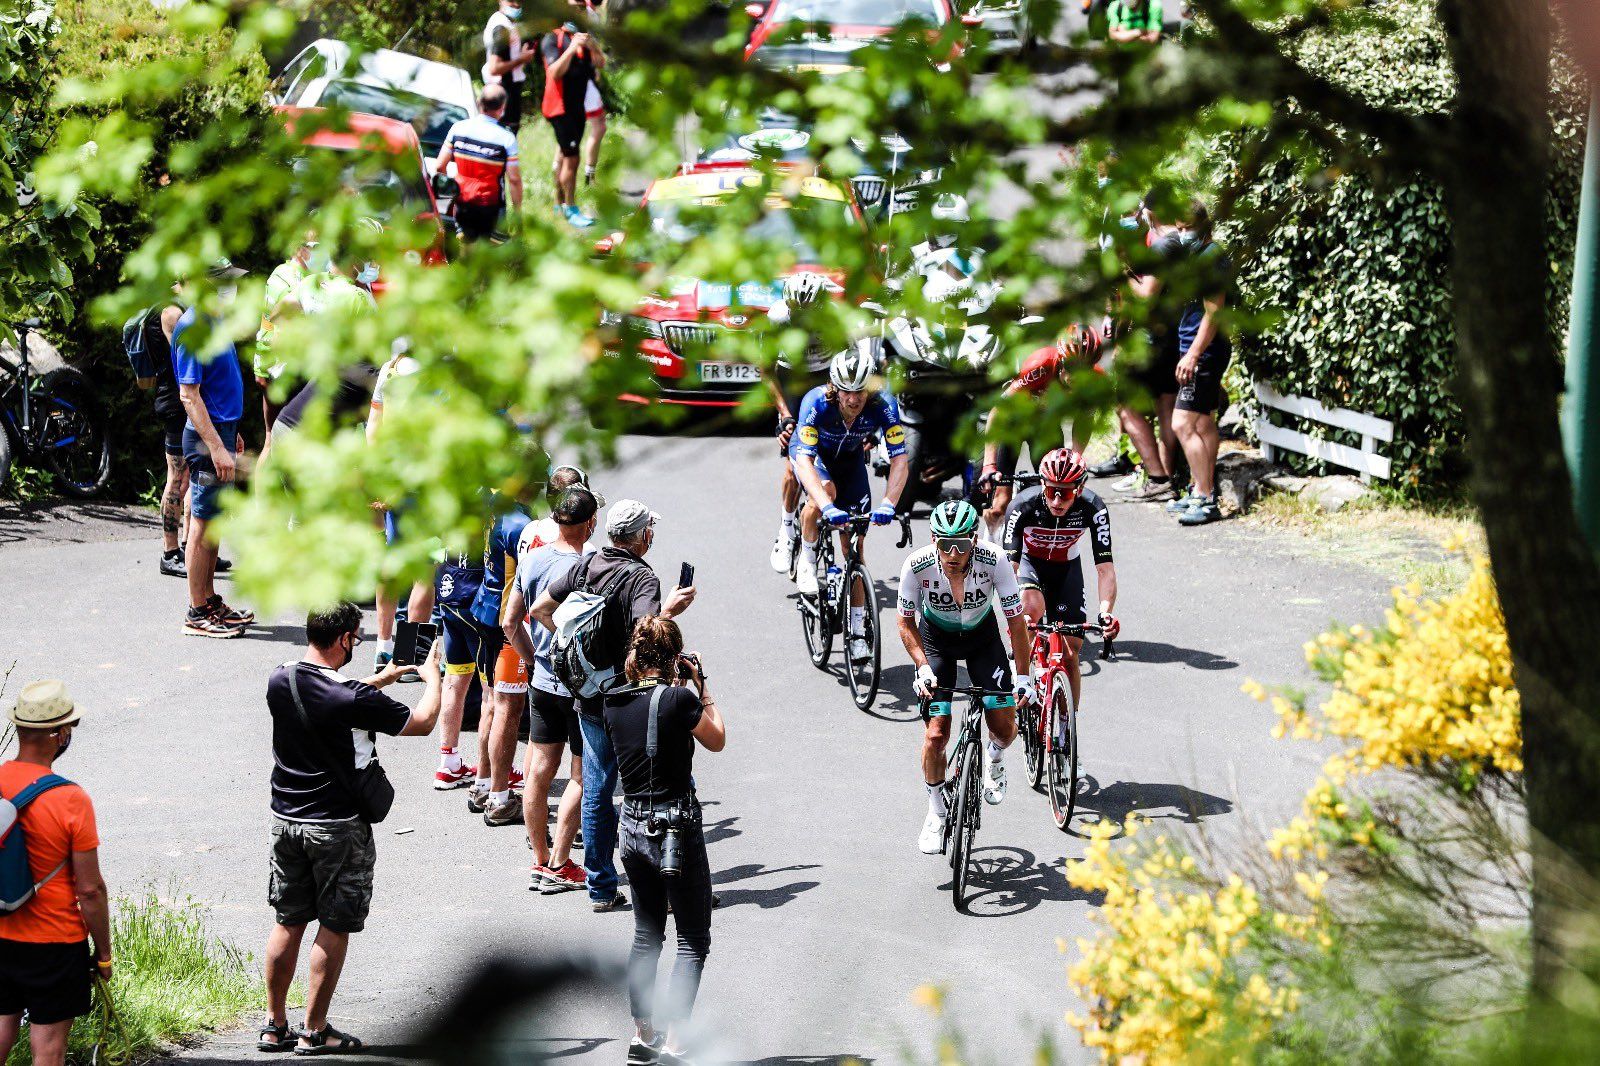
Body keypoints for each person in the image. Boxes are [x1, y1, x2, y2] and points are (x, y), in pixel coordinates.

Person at [261, 603, 444, 1054]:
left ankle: (274, 1024)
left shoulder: (280, 679)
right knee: (335, 924)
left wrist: (379, 680)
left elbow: (331, 697)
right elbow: (421, 724)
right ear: (344, 639)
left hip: (286, 820)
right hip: (337, 827)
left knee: (288, 920)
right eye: (356, 639)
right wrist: (434, 676)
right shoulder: (352, 699)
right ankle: (315, 1029)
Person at [528, 499, 696, 912]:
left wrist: (568, 644)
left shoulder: (587, 564)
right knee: (664, 784)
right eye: (649, 530)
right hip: (631, 698)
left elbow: (539, 610)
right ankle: (671, 880)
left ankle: (601, 887)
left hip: (588, 696)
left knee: (596, 787)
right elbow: (648, 636)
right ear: (642, 537)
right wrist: (670, 610)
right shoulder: (642, 578)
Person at [604, 617, 724, 1066]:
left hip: (631, 825)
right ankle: (674, 1042)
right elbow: (718, 739)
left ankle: (642, 1036)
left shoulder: (612, 701)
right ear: (675, 658)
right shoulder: (678, 700)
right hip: (675, 825)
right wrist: (702, 687)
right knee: (692, 938)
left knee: (646, 935)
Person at [895, 500, 1031, 855]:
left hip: (983, 640)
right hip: (935, 642)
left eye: (961, 545)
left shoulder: (995, 559)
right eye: (944, 544)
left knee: (1003, 725)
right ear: (933, 540)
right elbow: (905, 623)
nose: (952, 553)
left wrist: (1024, 676)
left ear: (975, 539)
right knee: (936, 733)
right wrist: (922, 667)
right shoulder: (917, 565)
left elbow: (1016, 622)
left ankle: (994, 759)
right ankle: (936, 810)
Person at [0, 681, 110, 1066]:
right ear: (58, 734)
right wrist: (105, 953)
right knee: (48, 1050)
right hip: (54, 942)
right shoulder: (70, 798)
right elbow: (91, 890)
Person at [503, 485, 599, 891]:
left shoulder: (533, 559)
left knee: (538, 772)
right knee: (581, 773)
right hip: (583, 686)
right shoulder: (595, 565)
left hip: (542, 681)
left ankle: (539, 859)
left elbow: (509, 622)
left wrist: (530, 658)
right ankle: (561, 862)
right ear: (590, 523)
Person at [789, 342, 910, 663]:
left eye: (860, 392)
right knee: (825, 492)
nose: (854, 399)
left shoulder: (883, 404)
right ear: (834, 387)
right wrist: (826, 507)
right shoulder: (816, 403)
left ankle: (857, 631)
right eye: (846, 391)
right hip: (815, 461)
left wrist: (889, 503)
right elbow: (803, 461)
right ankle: (808, 556)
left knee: (854, 552)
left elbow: (900, 460)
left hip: (851, 465)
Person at [1001, 448, 1120, 715]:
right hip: (1030, 564)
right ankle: (1019, 672)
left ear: (1079, 488)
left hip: (1066, 568)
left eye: (1065, 492)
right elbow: (1011, 566)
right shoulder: (1022, 506)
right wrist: (1013, 614)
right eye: (1052, 490)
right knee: (1031, 607)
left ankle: (1066, 730)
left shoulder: (1094, 507)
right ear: (1042, 484)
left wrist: (1105, 613)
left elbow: (1105, 569)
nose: (1056, 500)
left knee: (1070, 653)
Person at [171, 259, 254, 638]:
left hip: (222, 432)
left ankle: (209, 599)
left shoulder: (215, 320)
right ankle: (196, 610)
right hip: (207, 441)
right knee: (202, 524)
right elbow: (189, 396)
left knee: (215, 521)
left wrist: (230, 434)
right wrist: (217, 447)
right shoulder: (192, 327)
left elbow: (220, 385)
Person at [979, 323, 1106, 537]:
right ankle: (990, 543)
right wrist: (989, 465)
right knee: (1001, 502)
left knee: (1055, 496)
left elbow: (1084, 423)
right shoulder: (1042, 364)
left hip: (1046, 429)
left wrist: (1075, 458)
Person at [1154, 202, 1233, 526]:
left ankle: (1205, 496)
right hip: (1197, 348)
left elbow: (1214, 311)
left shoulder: (1212, 259)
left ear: (1203, 226)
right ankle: (1201, 490)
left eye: (1189, 228)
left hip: (1205, 351)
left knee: (1182, 424)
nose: (1183, 234)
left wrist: (1193, 354)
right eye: (1180, 228)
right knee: (1202, 424)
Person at [466, 489, 534, 824]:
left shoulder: (494, 503)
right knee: (509, 707)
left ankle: (482, 786)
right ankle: (499, 798)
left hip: (485, 609)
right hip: (507, 624)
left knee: (491, 702)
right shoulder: (522, 523)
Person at [131, 295, 194, 577]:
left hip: (188, 402)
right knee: (177, 476)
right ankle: (169, 552)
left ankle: (192, 545)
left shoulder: (183, 307)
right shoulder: (170, 312)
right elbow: (188, 359)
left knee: (191, 474)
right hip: (176, 403)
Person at [435, 84, 523, 243]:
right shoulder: (506, 137)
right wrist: (517, 213)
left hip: (463, 203)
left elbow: (440, 166)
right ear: (502, 108)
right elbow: (514, 180)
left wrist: (449, 194)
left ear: (478, 102)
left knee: (466, 247)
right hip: (492, 206)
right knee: (491, 251)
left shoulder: (458, 129)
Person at [254, 236, 315, 453]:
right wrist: (262, 368)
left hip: (293, 365)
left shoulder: (309, 275)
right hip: (281, 368)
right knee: (275, 440)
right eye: (315, 246)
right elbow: (274, 323)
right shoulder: (285, 276)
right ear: (299, 249)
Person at [540, 21, 603, 227]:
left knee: (564, 156)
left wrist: (592, 46)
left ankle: (559, 205)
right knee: (572, 159)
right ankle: (570, 207)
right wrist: (572, 48)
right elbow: (555, 72)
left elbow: (600, 64)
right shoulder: (552, 39)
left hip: (577, 109)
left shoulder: (585, 43)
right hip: (559, 109)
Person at [482, 0, 538, 134]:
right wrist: (521, 59)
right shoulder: (501, 27)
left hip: (508, 91)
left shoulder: (508, 23)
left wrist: (521, 55)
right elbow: (494, 68)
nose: (516, 5)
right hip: (502, 92)